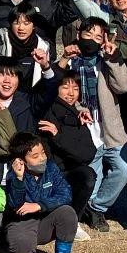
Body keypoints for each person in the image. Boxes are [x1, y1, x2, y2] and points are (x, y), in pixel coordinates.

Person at [67, 17, 127, 232]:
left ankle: (98, 206)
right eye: (88, 35)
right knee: (93, 173)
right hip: (86, 129)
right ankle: (92, 209)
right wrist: (78, 109)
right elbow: (64, 95)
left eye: (98, 37)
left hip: (110, 129)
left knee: (124, 169)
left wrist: (113, 58)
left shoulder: (105, 61)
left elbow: (124, 86)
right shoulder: (71, 61)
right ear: (79, 36)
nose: (92, 40)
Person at [0, 134, 78, 253]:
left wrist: (40, 205)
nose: (42, 158)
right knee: (20, 250)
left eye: (42, 153)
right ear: (21, 160)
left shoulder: (51, 168)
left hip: (45, 218)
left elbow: (66, 194)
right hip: (22, 222)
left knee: (67, 212)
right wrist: (19, 179)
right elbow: (15, 204)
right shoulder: (12, 175)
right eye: (35, 156)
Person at [37, 71, 100, 215]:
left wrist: (58, 136)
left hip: (70, 171)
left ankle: (73, 219)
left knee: (88, 176)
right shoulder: (46, 112)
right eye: (65, 87)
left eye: (76, 88)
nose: (71, 93)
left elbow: (88, 153)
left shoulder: (80, 115)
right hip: (48, 173)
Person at [0, 57, 40, 137]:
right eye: (2, 74)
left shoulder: (27, 106)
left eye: (13, 75)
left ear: (19, 80)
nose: (7, 80)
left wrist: (46, 67)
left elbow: (49, 90)